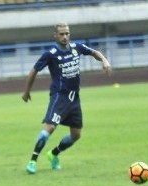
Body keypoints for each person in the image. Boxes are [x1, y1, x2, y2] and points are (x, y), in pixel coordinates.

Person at [22, 23, 111, 174]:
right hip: (59, 97)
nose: (65, 37)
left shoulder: (77, 47)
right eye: (61, 34)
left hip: (74, 98)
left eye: (67, 33)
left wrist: (104, 60)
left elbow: (94, 52)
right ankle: (32, 161)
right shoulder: (51, 53)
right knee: (49, 128)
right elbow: (34, 71)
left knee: (76, 135)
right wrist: (27, 91)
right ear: (55, 35)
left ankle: (54, 154)